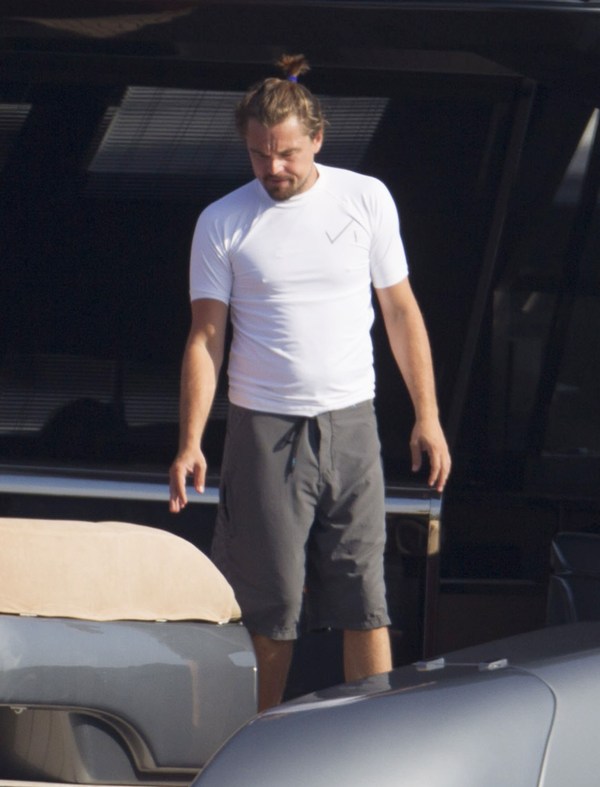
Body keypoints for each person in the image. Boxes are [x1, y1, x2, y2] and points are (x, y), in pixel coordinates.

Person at [169, 54, 451, 711]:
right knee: (271, 607)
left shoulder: (365, 198)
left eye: (287, 153)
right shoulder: (222, 220)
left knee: (365, 598)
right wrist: (189, 441)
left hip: (351, 421)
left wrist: (427, 415)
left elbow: (401, 311)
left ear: (317, 138)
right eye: (259, 154)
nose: (273, 168)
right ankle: (257, 743)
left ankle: (370, 744)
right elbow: (206, 337)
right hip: (263, 425)